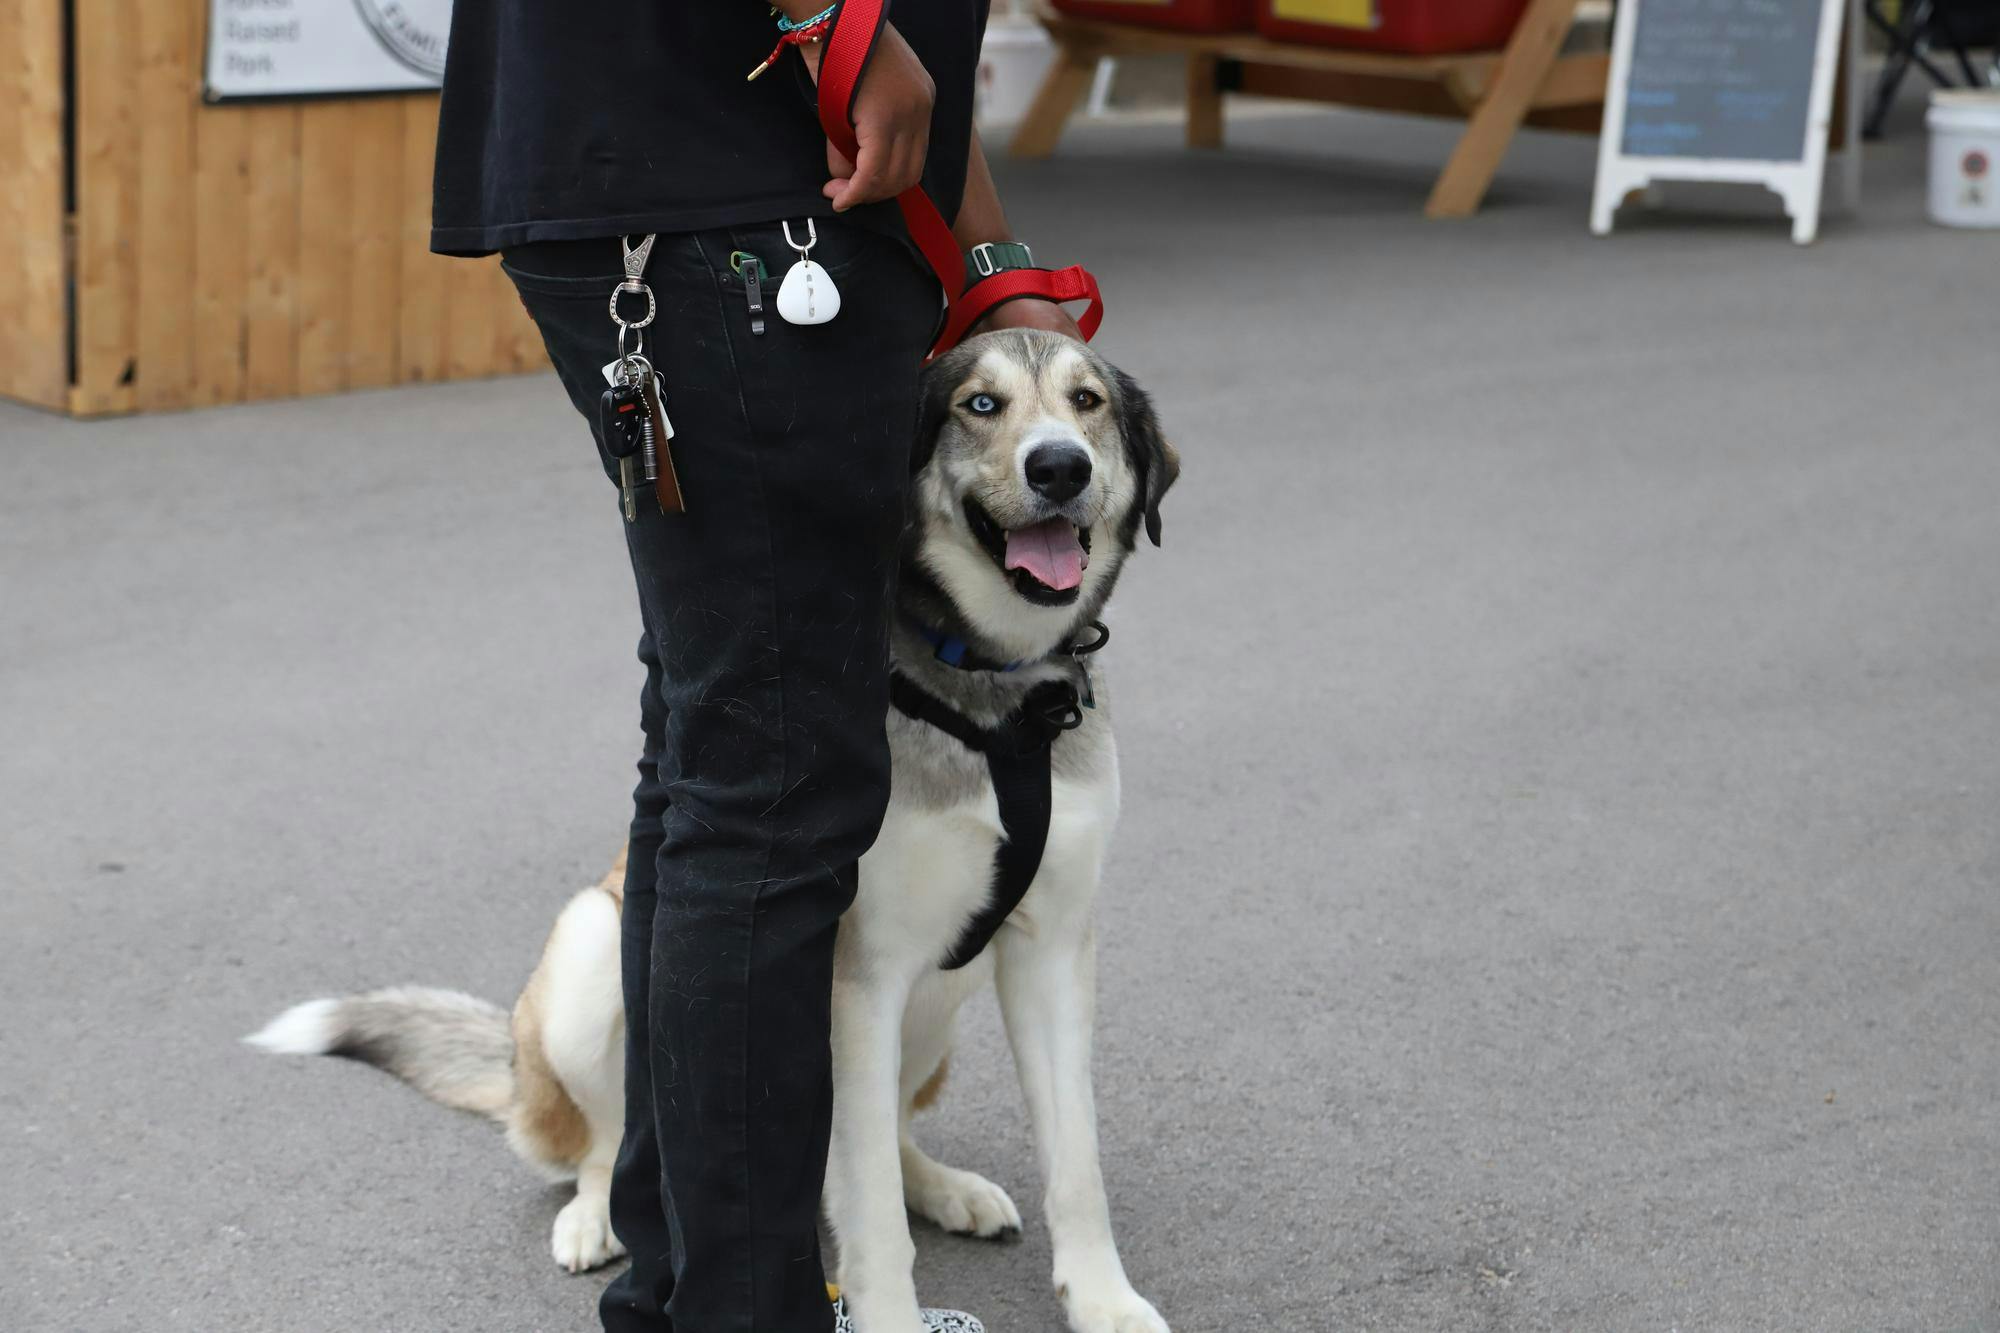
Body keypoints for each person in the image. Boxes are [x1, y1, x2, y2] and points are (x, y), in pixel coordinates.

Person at [430, 4, 1082, 1330]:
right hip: (726, 195)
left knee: (724, 750)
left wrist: (989, 249)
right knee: (773, 774)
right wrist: (826, 16)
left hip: (717, 190)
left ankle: (693, 1289)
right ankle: (744, 1309)